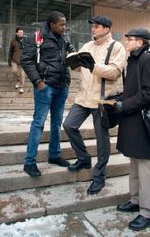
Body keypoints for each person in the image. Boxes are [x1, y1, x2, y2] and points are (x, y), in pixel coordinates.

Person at [63, 15, 126, 195]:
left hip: (102, 99)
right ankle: (83, 159)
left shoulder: (117, 47)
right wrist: (71, 61)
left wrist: (93, 66)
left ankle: (99, 176)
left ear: (106, 29)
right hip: (83, 96)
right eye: (93, 26)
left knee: (101, 138)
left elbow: (114, 72)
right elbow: (78, 67)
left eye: (97, 26)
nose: (93, 29)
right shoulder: (87, 46)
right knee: (69, 125)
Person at [114, 28, 150, 231]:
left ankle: (148, 213)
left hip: (143, 123)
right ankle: (135, 200)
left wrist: (125, 105)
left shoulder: (148, 59)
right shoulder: (133, 59)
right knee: (134, 164)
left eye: (130, 39)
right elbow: (133, 90)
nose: (126, 42)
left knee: (145, 168)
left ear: (141, 42)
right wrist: (118, 99)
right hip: (132, 121)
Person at [21, 11, 75, 177]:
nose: (64, 28)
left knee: (57, 123)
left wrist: (77, 57)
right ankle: (29, 162)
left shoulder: (64, 38)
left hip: (62, 87)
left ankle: (54, 155)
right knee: (38, 123)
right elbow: (26, 61)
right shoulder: (35, 38)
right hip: (45, 87)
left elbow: (71, 55)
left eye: (65, 25)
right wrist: (38, 82)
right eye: (61, 25)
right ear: (52, 24)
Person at [8, 27, 26, 93]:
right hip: (14, 60)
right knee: (14, 71)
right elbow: (10, 51)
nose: (22, 34)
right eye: (20, 32)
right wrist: (9, 60)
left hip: (23, 60)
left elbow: (29, 50)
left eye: (22, 32)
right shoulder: (13, 41)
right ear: (16, 33)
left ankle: (22, 87)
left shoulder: (25, 40)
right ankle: (18, 81)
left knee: (22, 74)